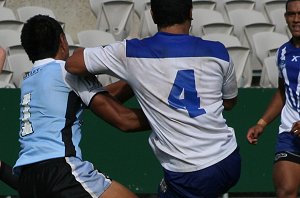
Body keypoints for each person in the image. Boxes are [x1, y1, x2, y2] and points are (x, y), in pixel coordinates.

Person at [65, 0, 241, 197]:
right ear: (191, 13)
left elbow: (73, 64)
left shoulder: (132, 51)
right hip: (229, 159)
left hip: (190, 172)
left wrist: (139, 78)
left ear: (153, 16)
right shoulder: (218, 50)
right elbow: (229, 102)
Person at [12, 14, 150, 198]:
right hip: (60, 171)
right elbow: (124, 120)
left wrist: (136, 81)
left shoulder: (28, 80)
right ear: (62, 40)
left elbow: (102, 99)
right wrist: (168, 118)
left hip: (28, 180)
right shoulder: (66, 71)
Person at [246, 0, 300, 197]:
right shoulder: (283, 52)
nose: (296, 19)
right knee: (285, 191)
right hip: (291, 133)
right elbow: (282, 91)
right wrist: (262, 123)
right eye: (291, 14)